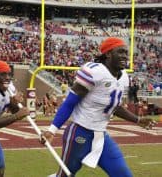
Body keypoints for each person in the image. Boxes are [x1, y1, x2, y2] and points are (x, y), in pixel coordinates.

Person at [41, 37, 156, 177]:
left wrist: (137, 120)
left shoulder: (124, 77)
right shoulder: (95, 72)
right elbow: (70, 102)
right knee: (65, 175)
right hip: (79, 133)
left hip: (100, 136)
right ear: (108, 54)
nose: (125, 56)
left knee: (123, 174)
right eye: (120, 52)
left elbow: (114, 106)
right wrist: (52, 130)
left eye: (126, 53)